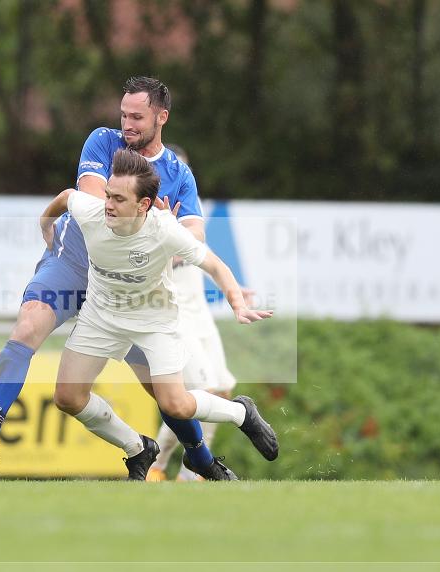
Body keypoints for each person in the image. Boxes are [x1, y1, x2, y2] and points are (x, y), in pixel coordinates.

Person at [0, 76, 229, 479]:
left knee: (163, 393)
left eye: (138, 117)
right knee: (26, 327)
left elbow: (195, 236)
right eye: (123, 114)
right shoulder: (103, 142)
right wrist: (152, 221)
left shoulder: (179, 174)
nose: (128, 124)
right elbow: (90, 200)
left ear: (162, 117)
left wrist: (169, 232)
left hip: (125, 289)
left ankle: (198, 457)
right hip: (73, 263)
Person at [42, 149, 279, 477]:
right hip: (101, 316)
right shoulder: (92, 211)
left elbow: (214, 264)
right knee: (67, 397)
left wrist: (237, 303)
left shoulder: (164, 230)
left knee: (175, 405)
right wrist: (46, 224)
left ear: (143, 205)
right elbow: (68, 197)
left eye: (118, 199)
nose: (108, 204)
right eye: (108, 194)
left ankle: (242, 413)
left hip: (153, 322)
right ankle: (137, 447)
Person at [146, 144, 240, 482]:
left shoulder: (189, 218)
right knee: (203, 391)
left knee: (223, 390)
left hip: (201, 316)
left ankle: (190, 474)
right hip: (175, 318)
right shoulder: (148, 216)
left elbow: (207, 258)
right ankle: (157, 466)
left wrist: (235, 291)